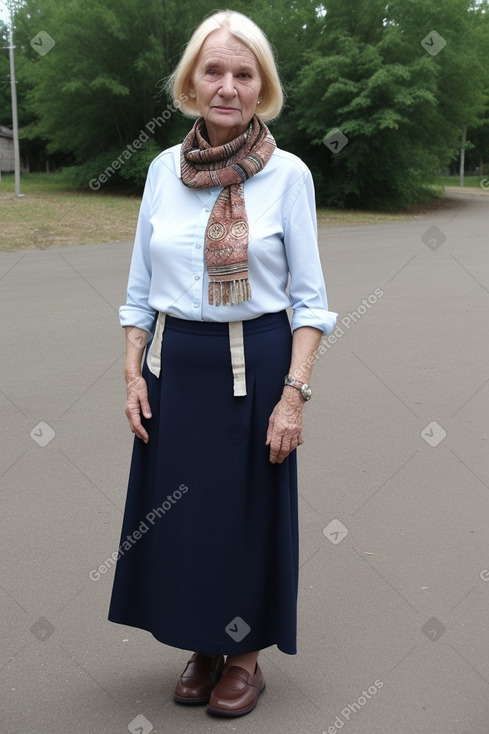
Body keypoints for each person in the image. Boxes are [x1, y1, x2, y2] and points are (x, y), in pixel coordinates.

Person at [108, 8, 337, 719]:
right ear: (191, 83)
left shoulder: (289, 175)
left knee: (243, 517)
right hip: (181, 370)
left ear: (260, 86)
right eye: (214, 70)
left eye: (243, 73)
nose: (228, 86)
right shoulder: (161, 171)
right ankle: (199, 646)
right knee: (181, 520)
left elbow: (308, 300)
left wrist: (293, 394)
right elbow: (140, 288)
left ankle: (242, 657)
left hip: (260, 364)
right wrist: (131, 371)